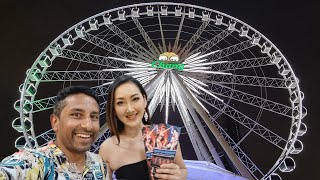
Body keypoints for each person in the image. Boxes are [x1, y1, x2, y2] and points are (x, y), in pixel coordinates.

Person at [0, 86, 108, 179]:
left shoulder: (100, 164)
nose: (88, 126)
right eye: (76, 115)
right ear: (55, 122)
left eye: (94, 117)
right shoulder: (32, 163)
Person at [99, 75, 187, 180]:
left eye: (135, 99)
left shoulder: (166, 135)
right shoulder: (107, 148)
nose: (130, 109)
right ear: (113, 109)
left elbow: (182, 169)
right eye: (120, 102)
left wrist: (179, 176)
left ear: (144, 100)